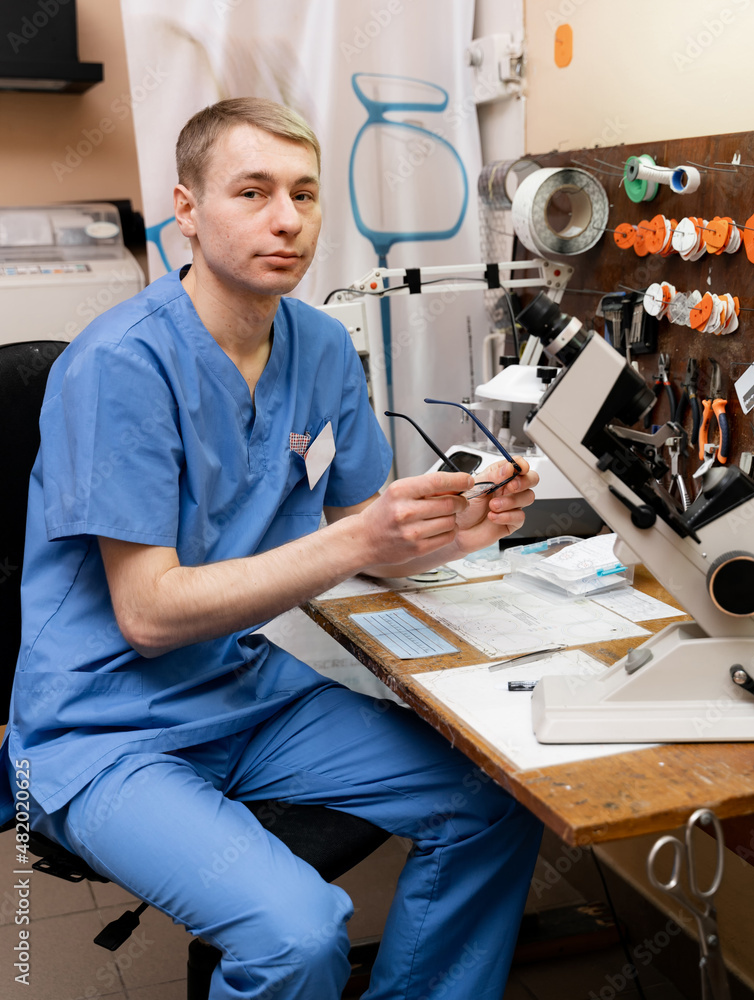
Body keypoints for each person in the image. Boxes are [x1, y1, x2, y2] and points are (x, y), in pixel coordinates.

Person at [1, 98, 542, 1000]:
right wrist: (358, 537)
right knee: (297, 936)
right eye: (251, 192)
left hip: (241, 693)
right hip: (104, 727)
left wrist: (453, 530)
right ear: (186, 208)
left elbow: (366, 534)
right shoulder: (117, 366)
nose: (286, 220)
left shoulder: (322, 347)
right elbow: (146, 614)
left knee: (493, 800)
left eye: (302, 193)